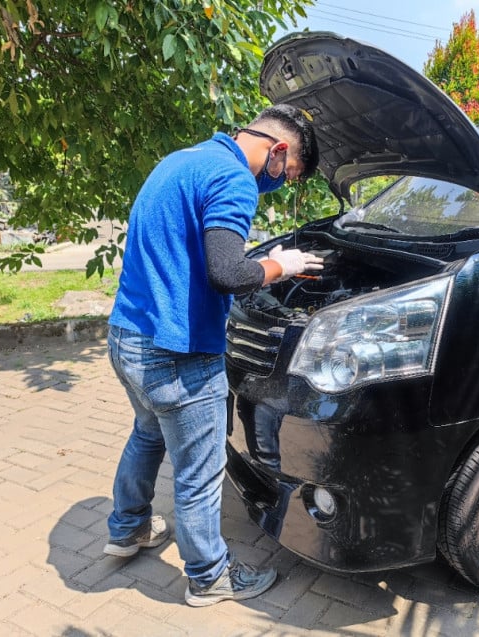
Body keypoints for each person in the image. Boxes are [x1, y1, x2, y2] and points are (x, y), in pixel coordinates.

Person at [103, 104, 323, 607]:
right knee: (199, 471)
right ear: (279, 150)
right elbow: (226, 272)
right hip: (175, 354)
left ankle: (127, 528)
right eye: (287, 175)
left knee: (147, 433)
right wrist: (277, 265)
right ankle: (209, 576)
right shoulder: (234, 179)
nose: (281, 185)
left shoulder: (183, 160)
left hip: (127, 338)